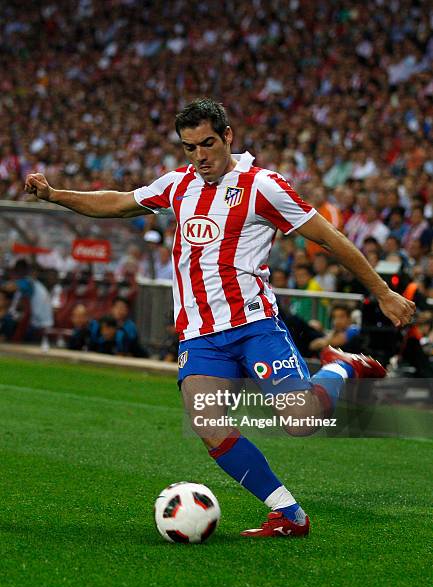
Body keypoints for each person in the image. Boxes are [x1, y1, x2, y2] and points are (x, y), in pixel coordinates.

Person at [25, 98, 415, 538]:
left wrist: (382, 293)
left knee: (301, 422)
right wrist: (56, 195)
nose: (199, 156)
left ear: (228, 136)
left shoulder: (263, 186)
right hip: (199, 336)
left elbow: (329, 238)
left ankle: (342, 366)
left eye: (207, 144)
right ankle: (289, 514)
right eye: (189, 147)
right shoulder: (178, 185)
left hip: (255, 326)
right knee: (208, 423)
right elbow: (118, 203)